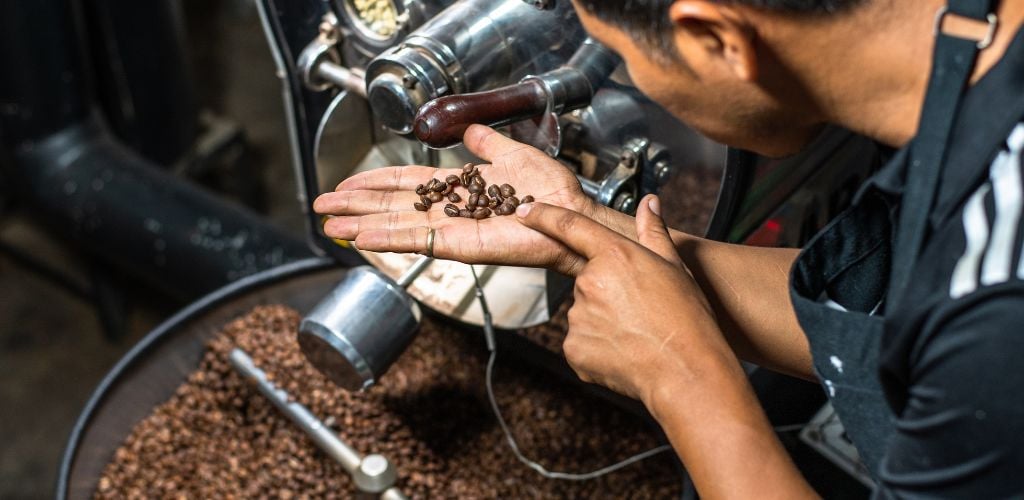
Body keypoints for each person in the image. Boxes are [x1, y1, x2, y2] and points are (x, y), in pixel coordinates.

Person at [313, 0, 1024, 496]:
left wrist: (682, 374)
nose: (629, 72)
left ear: (716, 39)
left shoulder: (997, 311)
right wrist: (593, 231)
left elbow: (970, 337)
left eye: (618, 54)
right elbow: (904, 318)